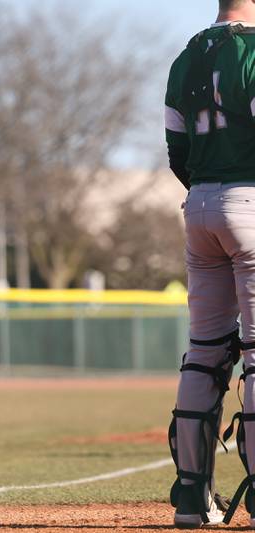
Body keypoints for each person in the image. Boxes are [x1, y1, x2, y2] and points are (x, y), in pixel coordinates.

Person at [164, 0, 255, 528]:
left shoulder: (185, 56)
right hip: (250, 201)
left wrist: (208, 193)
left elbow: (176, 148)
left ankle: (191, 498)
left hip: (200, 205)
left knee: (203, 351)